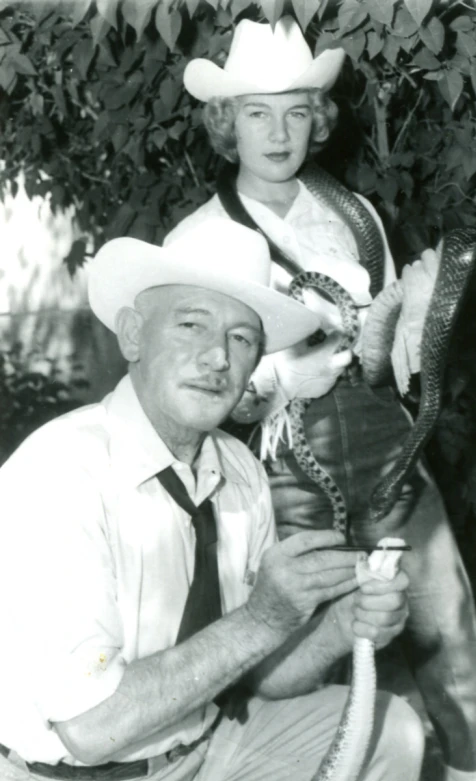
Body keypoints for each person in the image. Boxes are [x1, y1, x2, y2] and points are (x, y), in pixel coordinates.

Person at [164, 17, 476, 781]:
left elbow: (391, 355)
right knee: (299, 647)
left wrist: (414, 315)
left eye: (297, 110)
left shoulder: (353, 213)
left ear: (317, 120)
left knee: (446, 624)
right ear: (226, 122)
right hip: (278, 460)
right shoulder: (196, 240)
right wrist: (277, 381)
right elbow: (192, 385)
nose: (279, 131)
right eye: (257, 112)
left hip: (381, 435)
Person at [0, 218, 424, 781]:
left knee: (386, 728)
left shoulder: (239, 469)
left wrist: (343, 625)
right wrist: (263, 617)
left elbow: (260, 674)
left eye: (242, 338)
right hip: (78, 771)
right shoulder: (60, 471)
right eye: (191, 324)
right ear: (133, 335)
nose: (218, 358)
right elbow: (91, 729)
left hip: (207, 747)